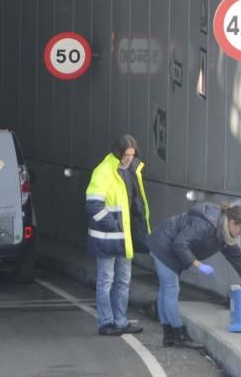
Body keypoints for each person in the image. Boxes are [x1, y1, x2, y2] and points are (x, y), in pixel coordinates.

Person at [146, 201, 241, 348]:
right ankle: (178, 334)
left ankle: (169, 335)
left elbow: (235, 256)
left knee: (166, 290)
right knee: (171, 289)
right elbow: (180, 243)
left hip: (167, 246)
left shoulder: (224, 232)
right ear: (232, 222)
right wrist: (198, 264)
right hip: (163, 246)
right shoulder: (206, 225)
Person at [85, 134, 151, 336]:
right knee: (106, 280)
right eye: (126, 154)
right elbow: (93, 204)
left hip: (124, 238)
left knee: (123, 280)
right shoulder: (103, 171)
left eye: (132, 154)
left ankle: (121, 321)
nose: (129, 158)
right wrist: (112, 225)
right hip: (108, 237)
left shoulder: (131, 171)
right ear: (118, 152)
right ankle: (106, 322)